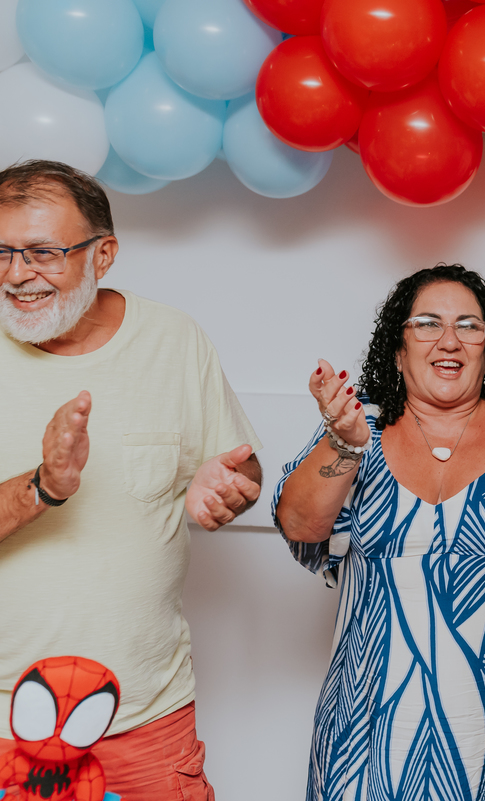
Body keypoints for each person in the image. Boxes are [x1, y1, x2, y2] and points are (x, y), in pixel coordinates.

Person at [272, 264, 485, 801]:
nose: (449, 340)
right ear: (397, 347)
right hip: (364, 747)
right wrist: (343, 442)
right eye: (428, 324)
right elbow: (300, 526)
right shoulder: (358, 427)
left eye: (470, 326)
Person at [0, 160, 262, 801]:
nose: (15, 275)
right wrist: (43, 487)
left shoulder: (176, 340)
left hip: (148, 719)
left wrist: (225, 483)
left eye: (42, 253)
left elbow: (243, 466)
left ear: (104, 254)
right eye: (2, 252)